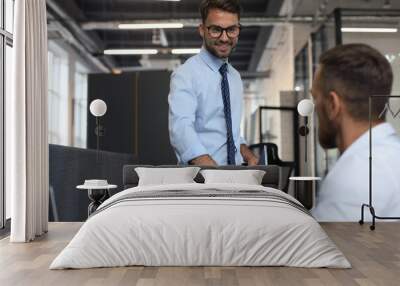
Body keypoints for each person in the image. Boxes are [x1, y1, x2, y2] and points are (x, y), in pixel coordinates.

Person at [311, 43, 400, 221]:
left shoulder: (358, 173)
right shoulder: (391, 155)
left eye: (315, 98)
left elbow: (322, 247)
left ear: (332, 104)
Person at [168, 0, 258, 166]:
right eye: (216, 29)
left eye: (231, 29)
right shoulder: (186, 74)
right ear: (202, 30)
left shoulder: (234, 77)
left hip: (236, 177)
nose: (224, 38)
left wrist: (246, 153)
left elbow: (229, 130)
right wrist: (211, 169)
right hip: (201, 180)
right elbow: (181, 128)